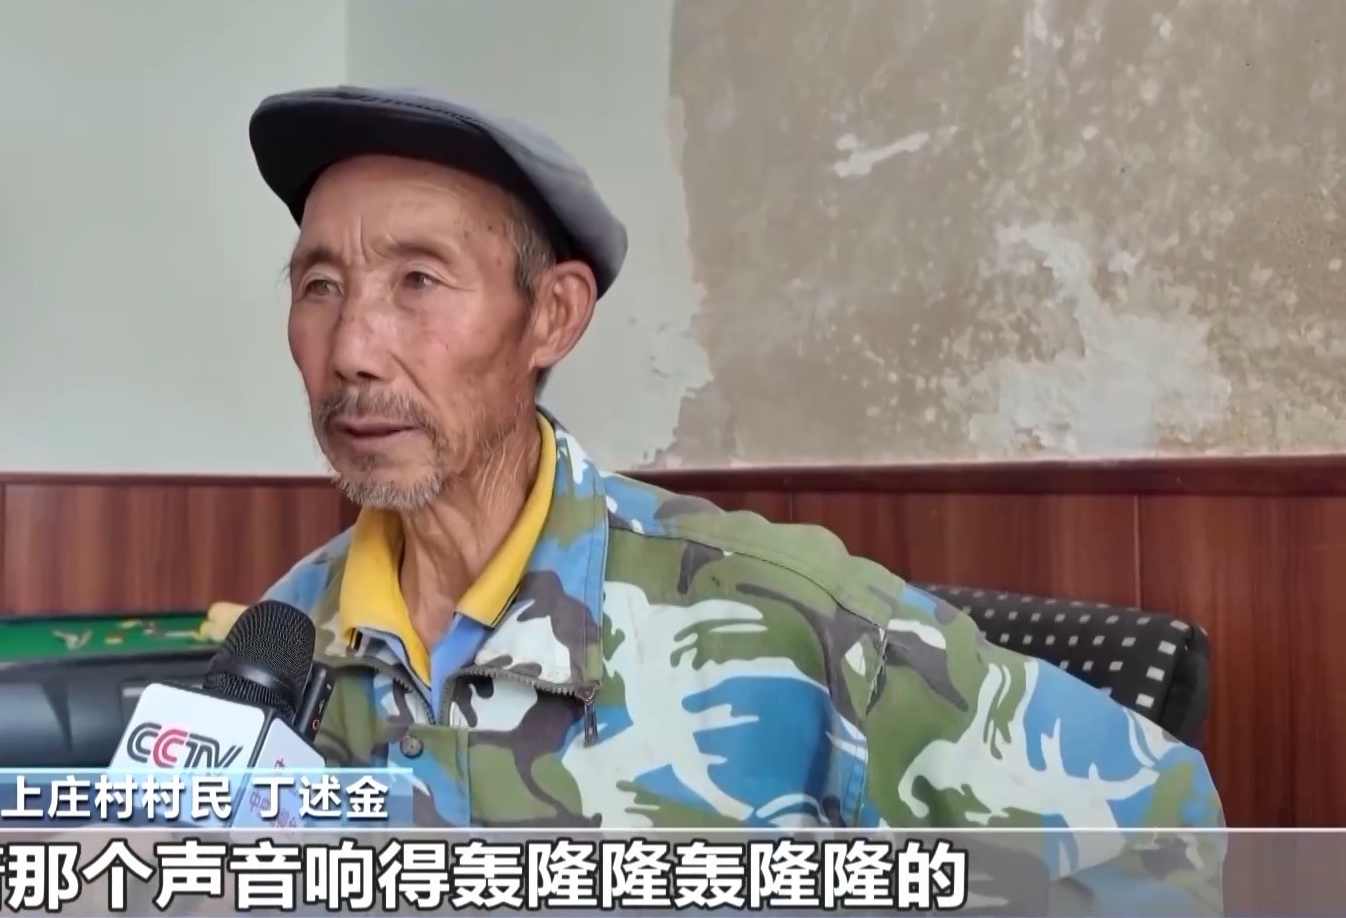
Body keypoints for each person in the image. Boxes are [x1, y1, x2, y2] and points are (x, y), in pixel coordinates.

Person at [247, 86, 1222, 909]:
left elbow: (1159, 826)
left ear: (553, 315)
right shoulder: (279, 645)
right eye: (320, 285)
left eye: (418, 280)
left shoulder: (774, 615)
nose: (352, 349)